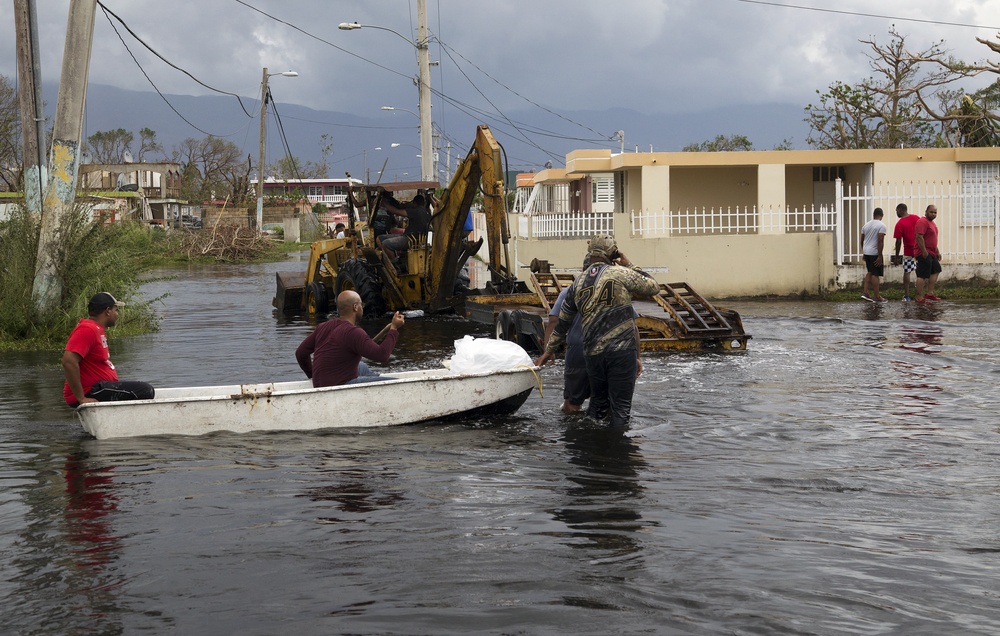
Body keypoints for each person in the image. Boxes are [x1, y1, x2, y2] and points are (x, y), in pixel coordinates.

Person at [535, 234, 658, 429]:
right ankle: (618, 454)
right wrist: (629, 264)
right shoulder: (619, 274)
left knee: (597, 409)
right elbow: (653, 287)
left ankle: (592, 449)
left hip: (592, 354)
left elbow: (561, 322)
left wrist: (548, 351)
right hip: (620, 352)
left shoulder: (578, 283)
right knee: (620, 409)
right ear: (612, 253)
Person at [295, 290, 405, 387]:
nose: (363, 307)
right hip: (338, 386)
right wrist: (394, 328)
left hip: (321, 382)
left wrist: (313, 376)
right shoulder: (354, 332)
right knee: (399, 384)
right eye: (361, 304)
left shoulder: (323, 326)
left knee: (361, 366)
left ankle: (373, 380)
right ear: (355, 307)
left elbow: (300, 353)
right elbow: (382, 355)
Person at [62, 292, 155, 407]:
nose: (117, 314)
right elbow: (68, 361)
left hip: (97, 388)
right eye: (115, 310)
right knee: (145, 390)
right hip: (90, 391)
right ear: (108, 311)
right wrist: (81, 398)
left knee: (139, 389)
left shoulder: (96, 329)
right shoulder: (87, 329)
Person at [381, 194, 432, 262]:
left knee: (385, 244)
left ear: (414, 203)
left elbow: (395, 211)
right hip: (416, 239)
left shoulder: (415, 211)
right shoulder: (427, 212)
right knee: (380, 238)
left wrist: (384, 203)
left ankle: (395, 265)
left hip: (410, 239)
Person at [914, 204, 942, 304]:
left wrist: (937, 251)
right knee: (922, 275)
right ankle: (919, 297)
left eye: (935, 212)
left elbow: (932, 239)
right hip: (924, 253)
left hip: (932, 252)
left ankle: (929, 293)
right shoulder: (922, 221)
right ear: (926, 212)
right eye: (931, 212)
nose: (933, 214)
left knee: (936, 270)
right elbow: (919, 237)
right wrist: (924, 251)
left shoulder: (932, 223)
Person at [860, 208, 888, 302]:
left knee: (870, 271)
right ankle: (877, 296)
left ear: (873, 214)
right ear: (882, 215)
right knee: (875, 274)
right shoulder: (882, 225)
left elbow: (862, 240)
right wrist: (879, 256)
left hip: (867, 252)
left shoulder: (866, 225)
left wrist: (864, 252)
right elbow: (880, 240)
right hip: (875, 252)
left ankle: (865, 292)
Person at [892, 203, 918, 301]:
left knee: (907, 272)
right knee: (919, 272)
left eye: (896, 211)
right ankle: (920, 294)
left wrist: (896, 257)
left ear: (900, 210)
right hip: (919, 249)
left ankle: (907, 295)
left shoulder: (900, 224)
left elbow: (898, 242)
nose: (896, 213)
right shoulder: (916, 218)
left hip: (908, 251)